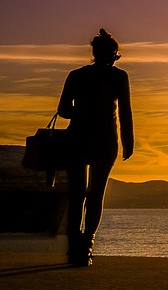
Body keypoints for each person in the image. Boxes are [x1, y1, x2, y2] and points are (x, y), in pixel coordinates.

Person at [57, 29, 134, 266]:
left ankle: (74, 248)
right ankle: (86, 245)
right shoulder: (119, 77)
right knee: (95, 194)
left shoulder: (76, 75)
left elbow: (63, 110)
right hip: (104, 140)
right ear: (114, 55)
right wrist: (128, 142)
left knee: (78, 193)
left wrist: (80, 112)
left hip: (78, 137)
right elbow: (125, 112)